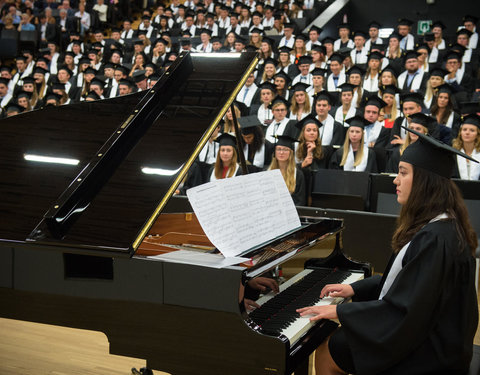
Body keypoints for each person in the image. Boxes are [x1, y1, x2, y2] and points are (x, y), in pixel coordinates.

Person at [299, 126, 478, 375]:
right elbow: (412, 288)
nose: (395, 179)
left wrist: (341, 310)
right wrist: (355, 289)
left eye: (403, 173)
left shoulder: (435, 239)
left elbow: (404, 310)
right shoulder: (440, 224)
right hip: (433, 336)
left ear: (425, 182)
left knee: (330, 348)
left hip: (431, 353)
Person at [268, 135, 306, 206]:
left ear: (291, 153)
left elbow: (300, 201)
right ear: (275, 152)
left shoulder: (298, 175)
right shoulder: (267, 171)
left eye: (285, 149)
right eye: (279, 149)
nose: (281, 152)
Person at [452, 114, 480, 180]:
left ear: (477, 134)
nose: (467, 133)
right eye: (464, 130)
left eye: (472, 130)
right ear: (460, 133)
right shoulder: (453, 154)